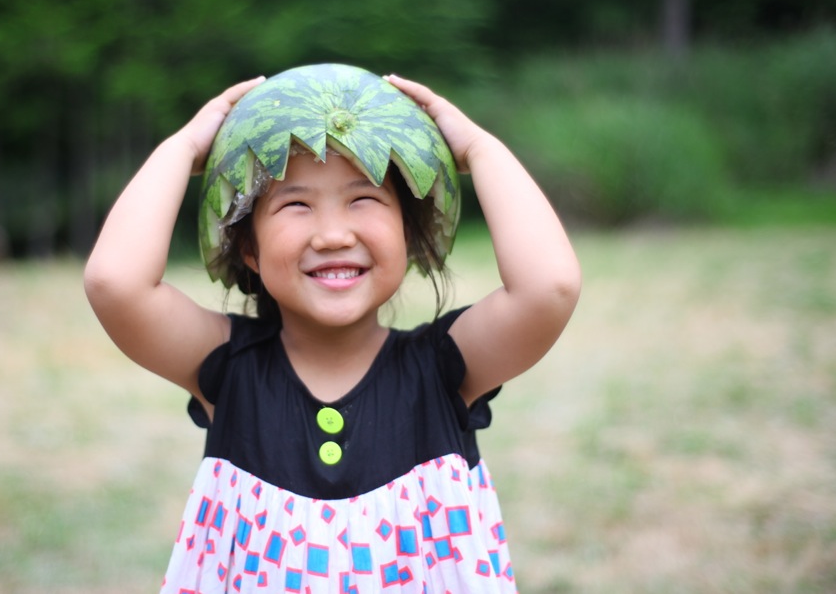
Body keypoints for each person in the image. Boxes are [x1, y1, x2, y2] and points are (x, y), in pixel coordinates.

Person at [84, 71, 581, 593]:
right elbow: (115, 283)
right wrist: (186, 146)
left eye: (363, 199)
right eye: (296, 205)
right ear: (249, 250)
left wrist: (478, 147)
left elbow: (548, 287)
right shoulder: (230, 368)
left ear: (408, 237)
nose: (333, 234)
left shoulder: (441, 370)